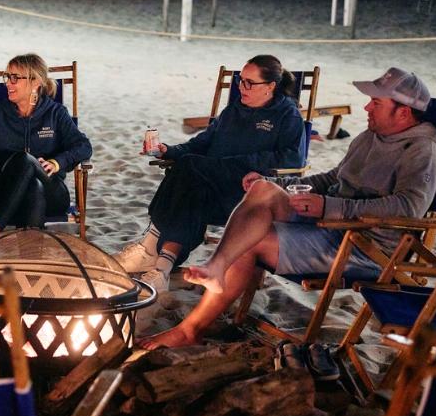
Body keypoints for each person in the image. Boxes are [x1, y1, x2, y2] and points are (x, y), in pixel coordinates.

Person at [139, 67, 436, 349]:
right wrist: (277, 185)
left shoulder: (421, 150)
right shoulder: (369, 137)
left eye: (375, 102)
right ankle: (216, 267)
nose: (366, 107)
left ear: (403, 112)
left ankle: (191, 329)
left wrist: (329, 207)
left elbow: (408, 208)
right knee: (261, 189)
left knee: (249, 241)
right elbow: (332, 178)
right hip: (326, 224)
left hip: (363, 245)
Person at [115, 55, 306, 292]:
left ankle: (150, 244)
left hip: (247, 195)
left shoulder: (287, 114)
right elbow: (202, 142)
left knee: (190, 168)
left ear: (270, 86)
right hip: (208, 183)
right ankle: (162, 268)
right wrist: (168, 150)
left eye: (249, 83)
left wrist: (239, 164)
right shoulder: (234, 109)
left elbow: (293, 158)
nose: (241, 88)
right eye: (240, 80)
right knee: (190, 184)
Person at [0, 54, 92, 237]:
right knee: (32, 186)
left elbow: (83, 146)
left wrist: (56, 163)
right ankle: (32, 250)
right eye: (7, 77)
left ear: (35, 81)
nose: (7, 84)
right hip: (0, 192)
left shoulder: (56, 113)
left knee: (25, 160)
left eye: (15, 78)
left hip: (52, 192)